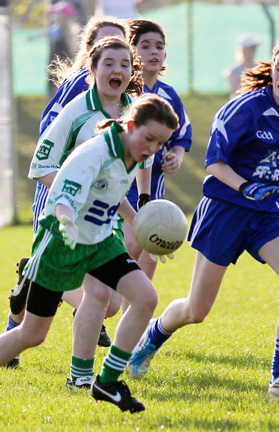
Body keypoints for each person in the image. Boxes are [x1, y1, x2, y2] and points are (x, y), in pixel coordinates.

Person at [127, 38, 279, 402]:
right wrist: (245, 187)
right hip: (226, 210)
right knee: (197, 309)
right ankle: (152, 337)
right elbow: (214, 164)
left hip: (269, 213)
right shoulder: (243, 109)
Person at [0, 93, 179, 419]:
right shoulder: (95, 153)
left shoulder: (135, 151)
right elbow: (62, 196)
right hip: (61, 242)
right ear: (129, 124)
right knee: (32, 334)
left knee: (145, 298)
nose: (152, 148)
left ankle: (107, 381)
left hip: (99, 241)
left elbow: (111, 195)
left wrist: (141, 225)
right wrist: (67, 220)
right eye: (150, 138)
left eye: (160, 143)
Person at [5, 35, 143, 370]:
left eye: (124, 64)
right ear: (92, 69)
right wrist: (77, 191)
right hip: (63, 213)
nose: (117, 70)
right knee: (91, 300)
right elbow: (40, 167)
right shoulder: (76, 110)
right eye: (108, 63)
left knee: (109, 305)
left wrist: (140, 216)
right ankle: (83, 376)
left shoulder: (134, 111)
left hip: (101, 217)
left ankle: (32, 274)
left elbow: (129, 170)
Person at [123, 18, 192, 280]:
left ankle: (135, 318)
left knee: (149, 256)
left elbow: (181, 134)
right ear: (131, 51)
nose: (154, 52)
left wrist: (176, 155)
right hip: (123, 187)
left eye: (159, 46)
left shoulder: (169, 94)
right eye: (146, 45)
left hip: (153, 188)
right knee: (131, 246)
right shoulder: (123, 91)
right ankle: (96, 305)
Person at [223, 34, 260, 100]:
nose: (254, 51)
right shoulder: (233, 71)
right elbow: (236, 90)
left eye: (254, 48)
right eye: (251, 48)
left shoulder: (260, 68)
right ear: (243, 51)